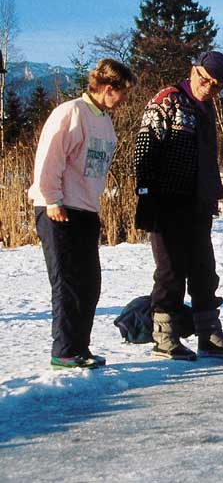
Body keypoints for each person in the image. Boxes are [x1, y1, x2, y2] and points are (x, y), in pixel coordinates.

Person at [134, 51, 223, 360]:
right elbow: (145, 149)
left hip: (198, 201)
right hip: (166, 201)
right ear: (193, 70)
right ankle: (164, 336)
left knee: (203, 269)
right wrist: (146, 194)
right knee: (171, 270)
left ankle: (208, 333)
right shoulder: (167, 100)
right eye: (204, 79)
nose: (208, 87)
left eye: (215, 85)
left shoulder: (206, 108)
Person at [29, 58, 136, 369]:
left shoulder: (103, 118)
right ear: (106, 88)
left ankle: (80, 347)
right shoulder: (71, 112)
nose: (125, 99)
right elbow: (50, 158)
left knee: (89, 283)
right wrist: (51, 199)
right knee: (67, 282)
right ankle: (64, 350)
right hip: (59, 208)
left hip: (86, 208)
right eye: (123, 92)